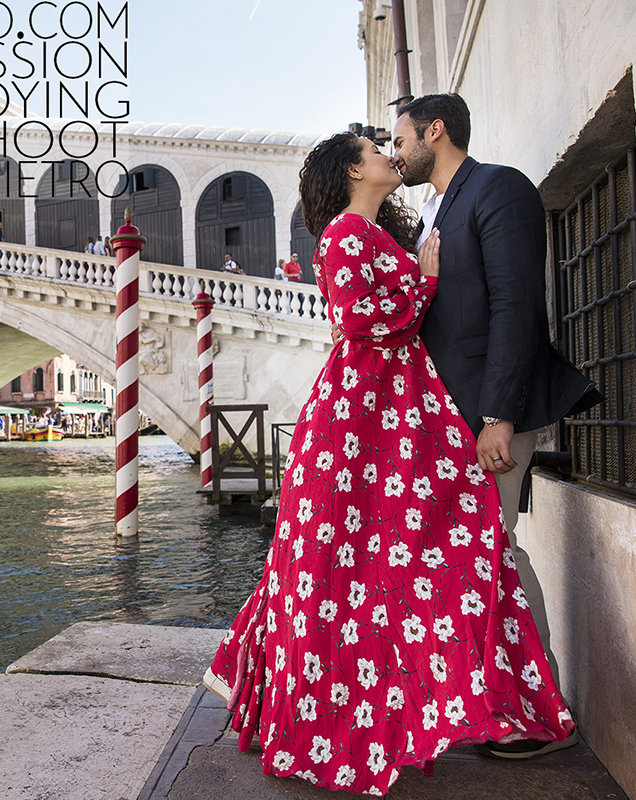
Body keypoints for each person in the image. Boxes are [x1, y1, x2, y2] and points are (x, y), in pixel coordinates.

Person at [203, 132, 573, 796]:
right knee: (341, 566)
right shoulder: (346, 233)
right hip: (358, 423)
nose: (387, 155)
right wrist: (426, 283)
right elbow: (359, 317)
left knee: (364, 565)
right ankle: (337, 715)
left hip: (385, 418)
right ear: (352, 169)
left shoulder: (371, 234)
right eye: (376, 149)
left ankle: (425, 707)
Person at [390, 93, 599, 760]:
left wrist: (498, 416)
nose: (397, 152)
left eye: (402, 139)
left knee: (496, 556)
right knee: (482, 561)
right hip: (453, 419)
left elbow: (515, 303)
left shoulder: (497, 187)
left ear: (437, 130)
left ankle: (541, 714)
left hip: (487, 415)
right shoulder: (438, 209)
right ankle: (503, 706)